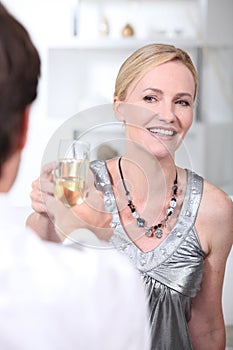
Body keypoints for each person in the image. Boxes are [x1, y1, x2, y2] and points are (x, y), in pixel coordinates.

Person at [27, 43, 233, 350]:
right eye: (151, 97)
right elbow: (29, 291)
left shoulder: (214, 210)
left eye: (182, 102)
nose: (168, 115)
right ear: (119, 107)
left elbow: (207, 328)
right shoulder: (80, 189)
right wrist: (48, 213)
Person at [0, 3, 151, 350]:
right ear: (24, 127)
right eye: (148, 98)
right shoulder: (101, 286)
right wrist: (86, 231)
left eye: (183, 101)